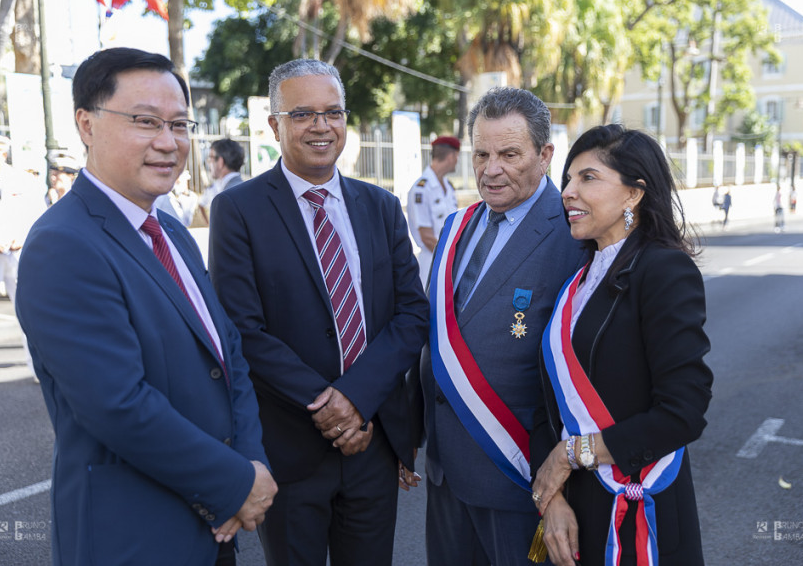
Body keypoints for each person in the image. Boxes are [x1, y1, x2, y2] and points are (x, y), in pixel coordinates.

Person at [14, 47, 277, 565]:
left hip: (217, 522)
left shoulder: (170, 230)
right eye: (144, 121)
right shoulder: (63, 243)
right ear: (86, 125)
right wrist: (235, 482)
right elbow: (118, 404)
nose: (168, 142)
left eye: (180, 124)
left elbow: (228, 356)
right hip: (134, 535)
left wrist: (251, 466)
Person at [208, 59, 429, 566]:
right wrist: (330, 407)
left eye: (333, 113)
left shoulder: (380, 205)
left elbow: (412, 313)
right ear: (274, 124)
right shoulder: (238, 209)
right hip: (291, 447)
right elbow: (243, 328)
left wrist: (356, 399)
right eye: (303, 113)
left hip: (372, 442)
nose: (321, 126)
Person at [409, 87, 586, 566]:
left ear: (546, 155)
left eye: (509, 154)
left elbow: (587, 377)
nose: (491, 169)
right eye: (482, 154)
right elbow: (431, 341)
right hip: (446, 470)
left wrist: (564, 485)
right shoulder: (455, 227)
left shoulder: (575, 236)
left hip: (520, 477)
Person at [531, 124, 713, 566]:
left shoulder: (665, 271)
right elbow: (548, 400)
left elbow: (682, 413)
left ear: (634, 194)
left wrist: (572, 453)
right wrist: (551, 497)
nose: (568, 192)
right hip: (573, 506)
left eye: (588, 178)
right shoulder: (578, 276)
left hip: (638, 506)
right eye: (568, 178)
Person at [0, 135, 46, 397]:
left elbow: (39, 216)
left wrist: (22, 236)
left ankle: (37, 367)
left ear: (3, 153)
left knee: (27, 313)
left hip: (18, 255)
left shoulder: (24, 181)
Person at [406, 135, 460, 283]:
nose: (457, 161)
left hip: (448, 261)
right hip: (433, 262)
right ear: (451, 156)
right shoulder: (421, 189)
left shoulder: (448, 186)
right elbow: (427, 237)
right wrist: (453, 258)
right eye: (457, 157)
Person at [199, 138, 245, 223]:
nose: (209, 163)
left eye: (210, 158)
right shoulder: (244, 189)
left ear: (220, 162)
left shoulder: (226, 197)